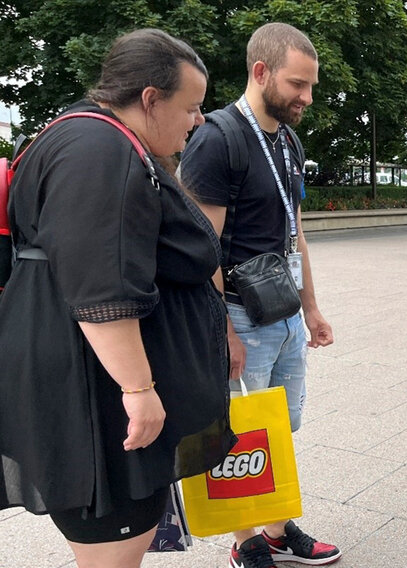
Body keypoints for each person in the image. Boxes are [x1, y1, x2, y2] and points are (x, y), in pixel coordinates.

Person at [0, 29, 234, 567]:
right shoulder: (99, 149)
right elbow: (98, 285)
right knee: (113, 550)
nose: (198, 121)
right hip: (96, 394)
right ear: (150, 99)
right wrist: (138, 388)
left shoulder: (89, 134)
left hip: (87, 378)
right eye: (192, 107)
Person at [179, 22, 340, 568]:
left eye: (311, 86)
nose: (307, 97)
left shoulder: (289, 141)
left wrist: (311, 307)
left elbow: (296, 233)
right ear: (261, 71)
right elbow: (201, 248)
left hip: (285, 312)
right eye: (298, 84)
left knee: (279, 427)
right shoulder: (218, 137)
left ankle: (275, 528)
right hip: (237, 315)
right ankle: (246, 541)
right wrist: (222, 332)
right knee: (239, 432)